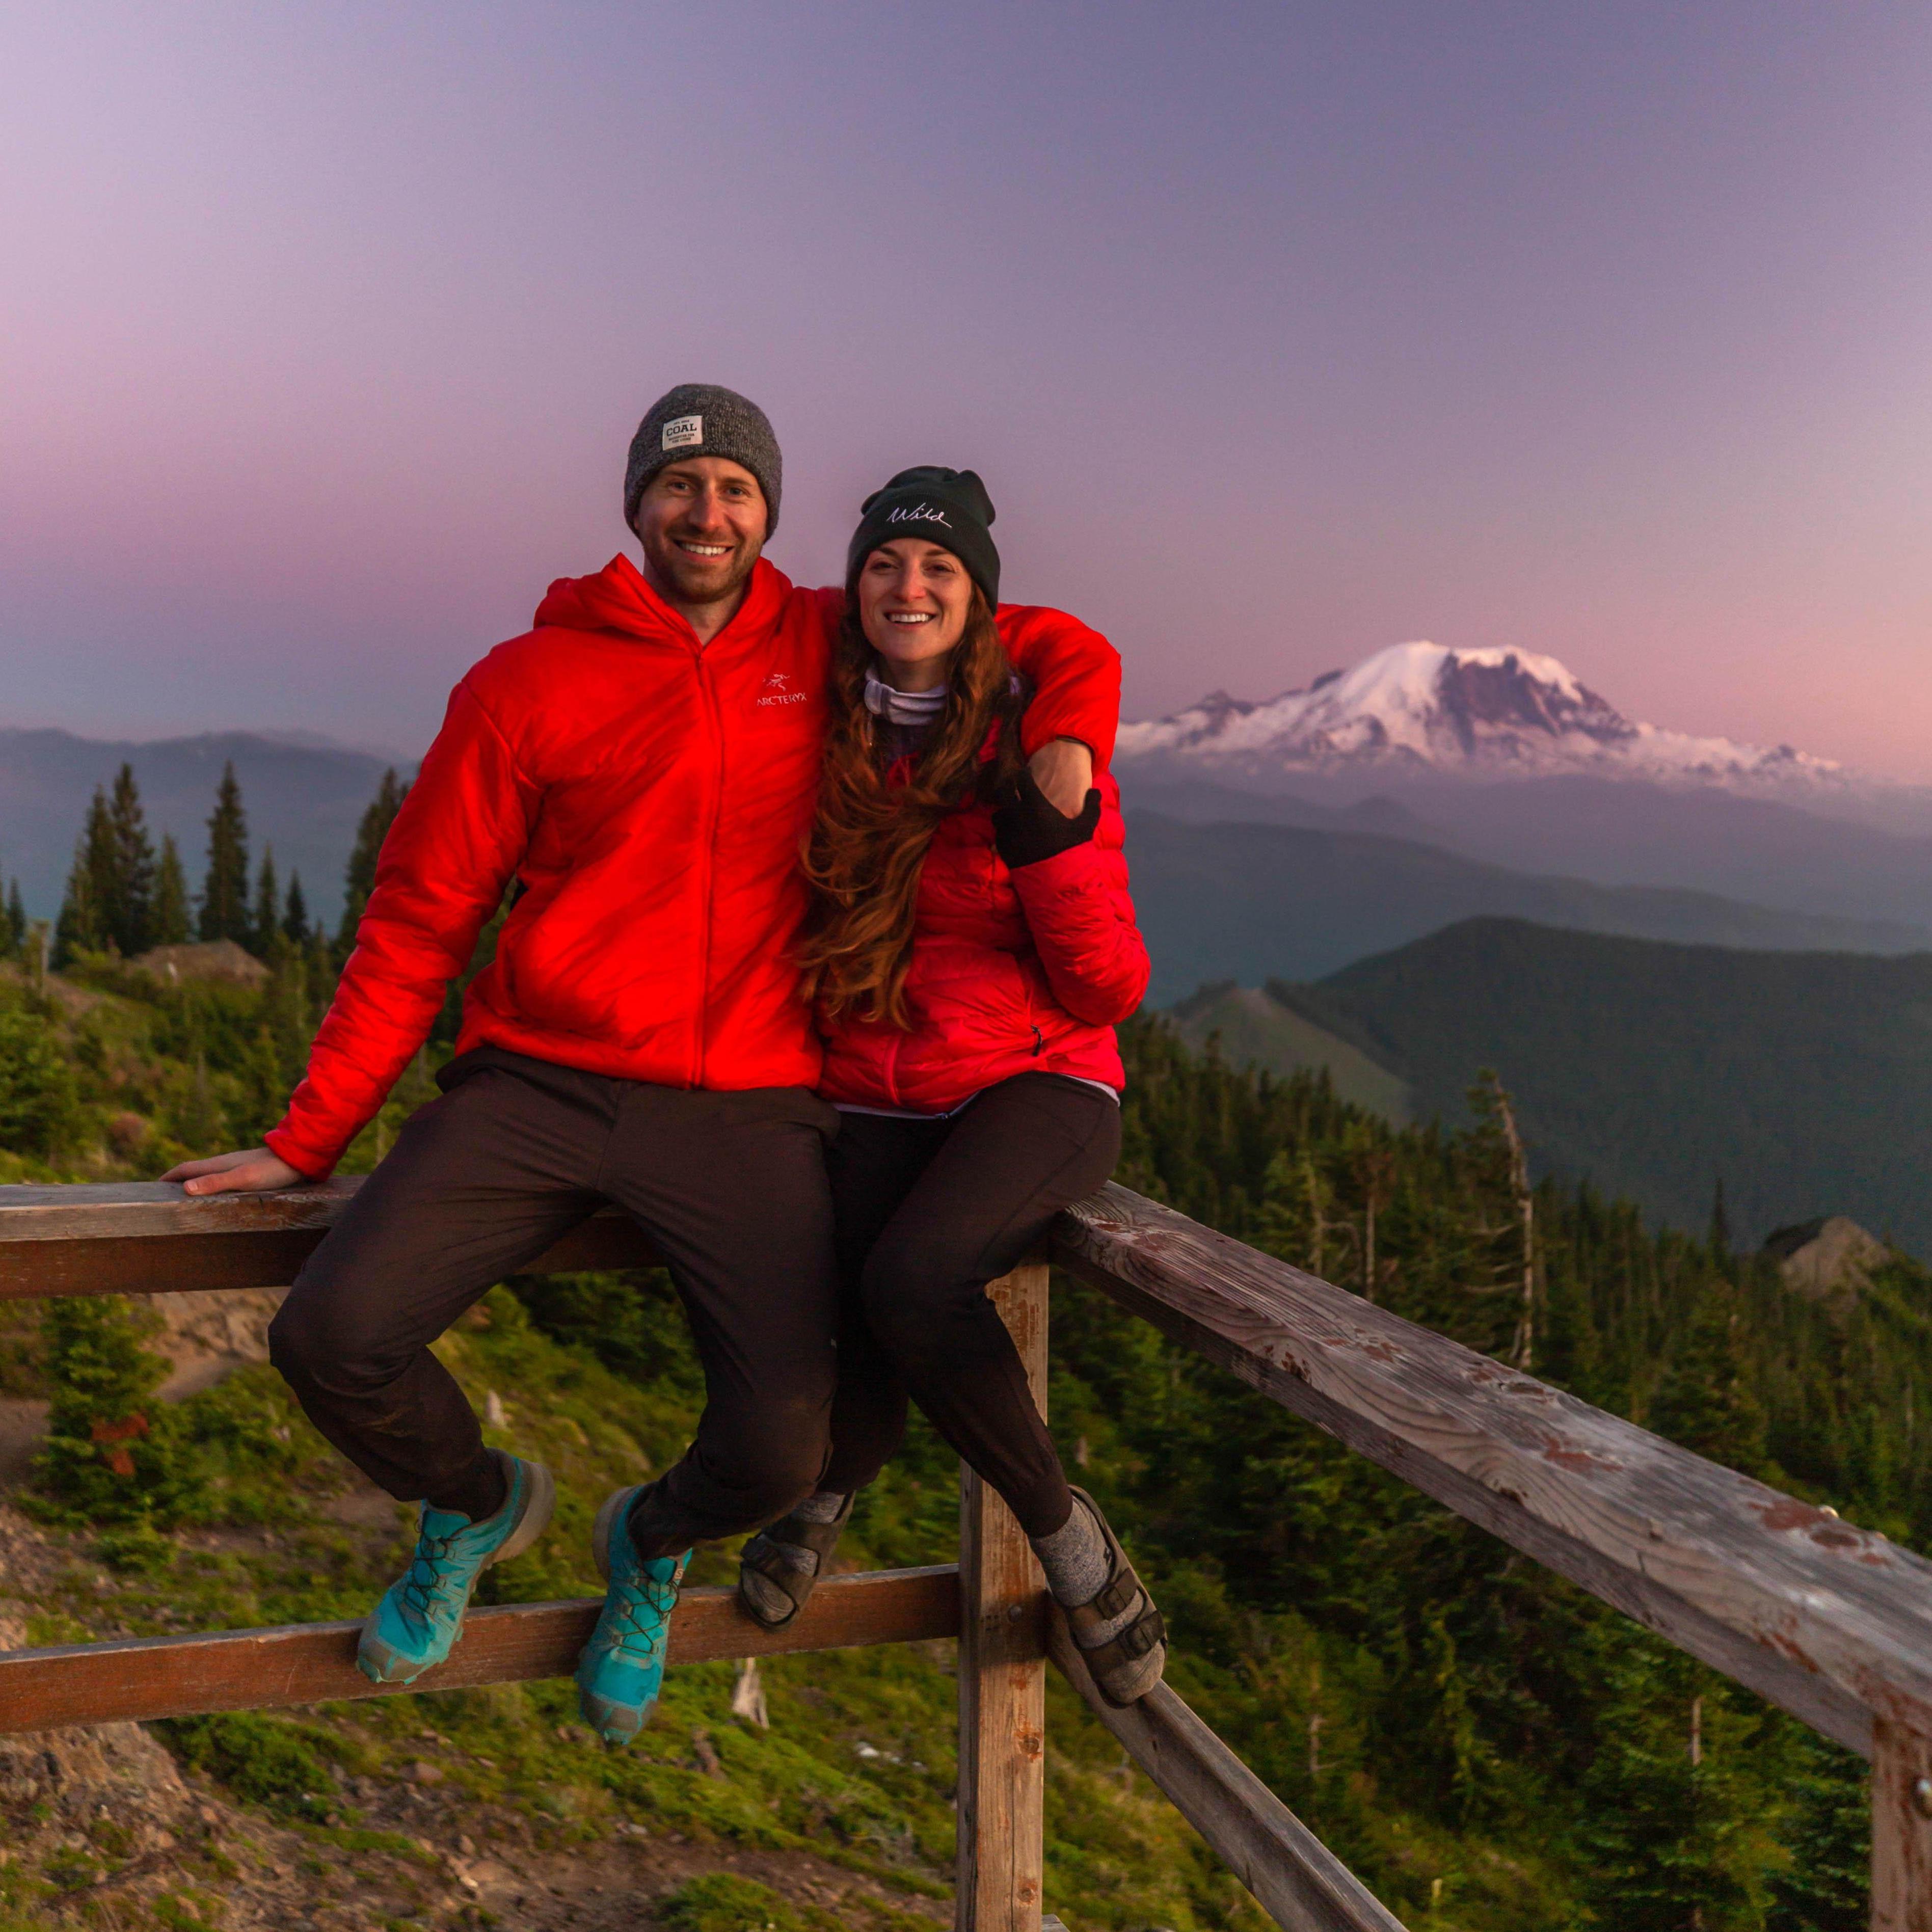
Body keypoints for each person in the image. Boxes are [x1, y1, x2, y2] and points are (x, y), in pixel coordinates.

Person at [160, 389, 1117, 1743]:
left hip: (745, 1104)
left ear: (768, 511)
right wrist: (309, 1137)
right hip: (536, 1085)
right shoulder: (523, 683)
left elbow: (1033, 631)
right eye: (681, 488)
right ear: (638, 507)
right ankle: (471, 1503)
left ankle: (651, 1540)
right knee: (329, 1335)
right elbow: (420, 919)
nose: (707, 512)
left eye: (734, 487)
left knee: (781, 1451)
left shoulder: (824, 641)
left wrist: (1068, 736)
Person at [732, 468, 1166, 1705]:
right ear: (854, 583)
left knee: (912, 1275)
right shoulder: (828, 724)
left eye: (940, 570)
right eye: (885, 564)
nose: (908, 587)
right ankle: (827, 1491)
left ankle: (1073, 1549)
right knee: (845, 1280)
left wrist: (1048, 835)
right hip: (874, 1075)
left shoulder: (1034, 742)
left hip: (1041, 1078)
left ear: (979, 596)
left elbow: (1105, 988)